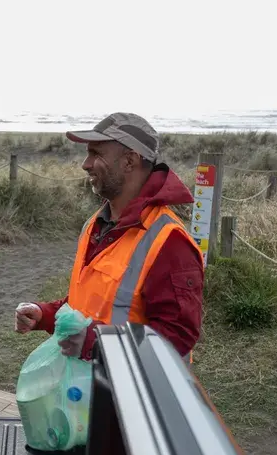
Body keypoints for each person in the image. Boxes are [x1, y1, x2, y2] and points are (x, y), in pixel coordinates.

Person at [14, 112, 204, 363]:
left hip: (135, 395)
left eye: (96, 154)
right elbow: (90, 302)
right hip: (89, 389)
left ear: (129, 161)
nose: (85, 164)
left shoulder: (169, 241)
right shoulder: (96, 223)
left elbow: (176, 337)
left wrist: (96, 342)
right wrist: (45, 314)